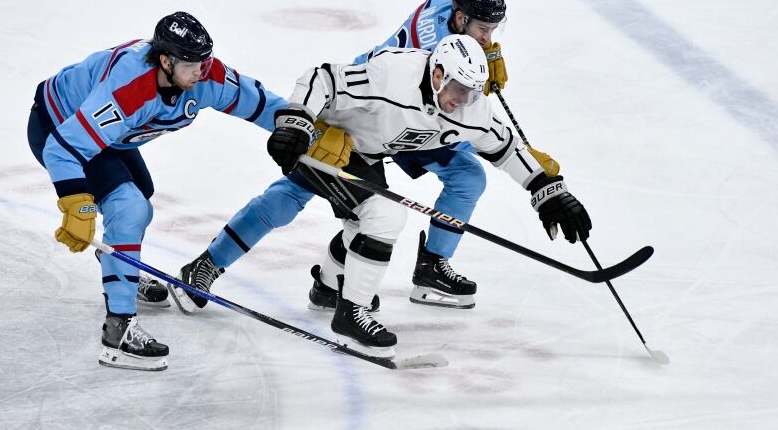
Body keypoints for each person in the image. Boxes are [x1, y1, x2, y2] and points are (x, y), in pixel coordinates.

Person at [168, 0, 559, 315]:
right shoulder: (435, 56)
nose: (489, 38)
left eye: (494, 30)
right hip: (369, 112)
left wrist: (535, 176)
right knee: (299, 193)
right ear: (459, 20)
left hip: (408, 116)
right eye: (483, 29)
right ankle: (211, 265)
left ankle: (418, 270)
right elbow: (451, 117)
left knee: (451, 182)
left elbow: (464, 117)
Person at [223, 34, 589, 358]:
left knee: (361, 227)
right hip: (329, 139)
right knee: (383, 214)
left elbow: (507, 147)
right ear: (437, 74)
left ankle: (327, 286)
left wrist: (546, 189)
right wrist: (297, 121)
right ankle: (352, 312)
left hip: (368, 152)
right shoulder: (392, 77)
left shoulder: (470, 106)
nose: (463, 100)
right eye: (459, 89)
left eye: (472, 92)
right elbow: (323, 78)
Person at [28, 11, 285, 371]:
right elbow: (63, 150)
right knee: (129, 208)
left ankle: (120, 268)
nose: (203, 70)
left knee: (139, 199)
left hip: (112, 135)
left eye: (206, 60)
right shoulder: (130, 88)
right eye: (193, 64)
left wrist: (302, 127)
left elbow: (257, 101)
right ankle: (118, 332)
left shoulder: (202, 74)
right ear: (165, 61)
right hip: (59, 126)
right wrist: (77, 205)